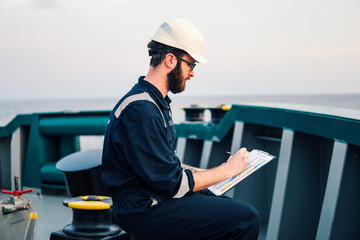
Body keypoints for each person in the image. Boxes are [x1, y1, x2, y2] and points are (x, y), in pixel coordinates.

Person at [101, 19, 260, 240]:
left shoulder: (153, 103)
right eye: (190, 65)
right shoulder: (142, 111)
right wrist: (227, 171)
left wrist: (218, 171)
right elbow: (172, 184)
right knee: (245, 218)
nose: (192, 73)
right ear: (170, 60)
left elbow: (166, 166)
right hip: (142, 209)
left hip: (151, 198)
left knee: (225, 204)